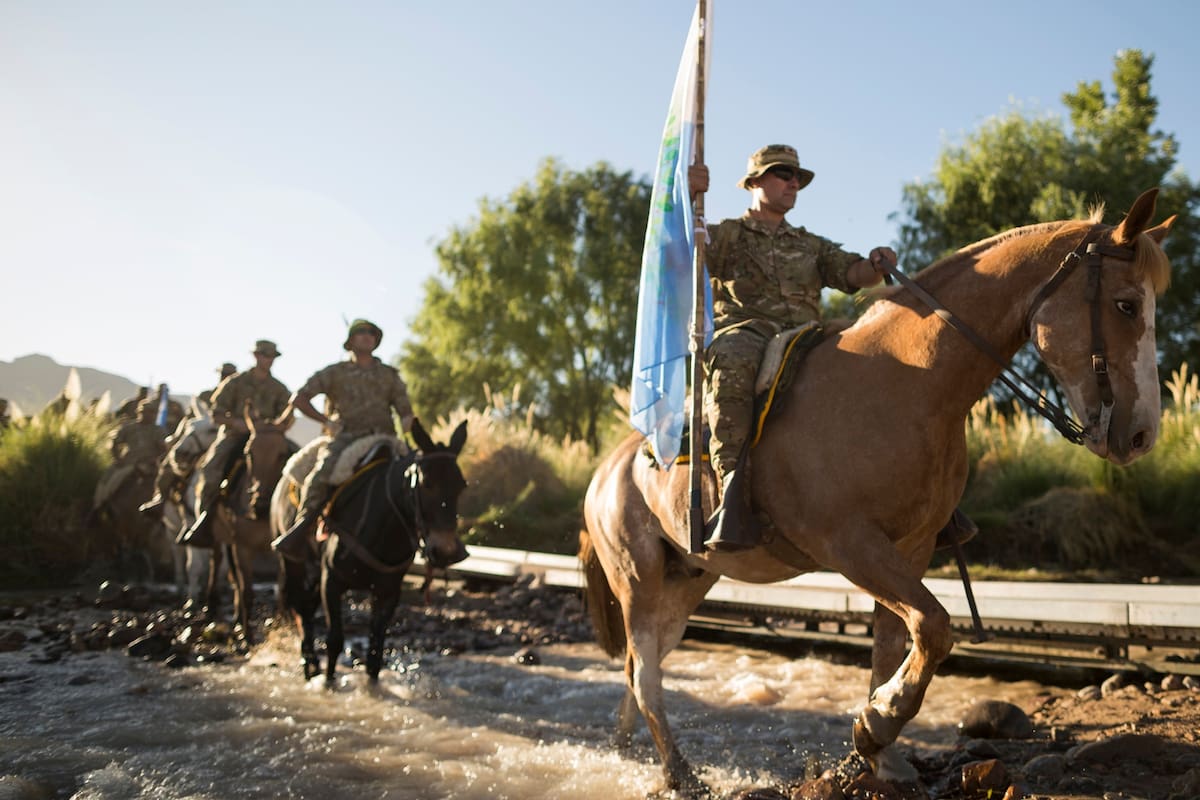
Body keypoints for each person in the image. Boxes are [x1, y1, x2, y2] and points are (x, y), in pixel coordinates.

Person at [688, 144, 896, 551]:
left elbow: (851, 273)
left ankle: (903, 481)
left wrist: (875, 265)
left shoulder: (810, 244)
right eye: (783, 174)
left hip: (805, 333)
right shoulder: (726, 234)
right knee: (732, 360)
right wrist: (686, 197)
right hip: (747, 331)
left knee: (876, 352)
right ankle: (732, 492)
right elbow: (684, 254)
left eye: (797, 177)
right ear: (754, 182)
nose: (793, 183)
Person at [270, 319, 415, 559]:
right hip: (345, 439)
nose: (367, 336)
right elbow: (299, 398)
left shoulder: (389, 375)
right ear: (350, 341)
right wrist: (325, 421)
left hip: (385, 438)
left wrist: (410, 425)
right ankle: (302, 527)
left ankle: (426, 537)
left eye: (372, 333)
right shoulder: (334, 372)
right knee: (320, 476)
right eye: (361, 333)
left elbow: (405, 411)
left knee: (421, 480)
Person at [179, 340, 291, 546]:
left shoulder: (280, 388)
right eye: (265, 355)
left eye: (271, 357)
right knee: (212, 469)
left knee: (297, 462)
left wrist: (278, 426)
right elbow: (216, 413)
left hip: (268, 437)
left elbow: (287, 415)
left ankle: (298, 521)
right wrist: (237, 422)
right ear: (256, 356)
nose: (268, 360)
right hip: (235, 436)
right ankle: (205, 520)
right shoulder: (235, 383)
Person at [139, 363, 236, 518]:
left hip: (227, 437)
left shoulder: (239, 397)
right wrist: (177, 437)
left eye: (229, 375)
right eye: (223, 374)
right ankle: (161, 498)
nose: (225, 377)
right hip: (201, 439)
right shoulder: (205, 396)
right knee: (170, 463)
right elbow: (189, 419)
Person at [91, 397, 168, 519]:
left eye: (153, 412)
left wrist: (156, 459)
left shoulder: (158, 430)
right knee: (110, 480)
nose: (151, 415)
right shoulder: (129, 428)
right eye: (147, 412)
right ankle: (99, 505)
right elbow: (115, 443)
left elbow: (164, 448)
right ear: (139, 412)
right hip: (130, 463)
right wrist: (118, 459)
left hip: (151, 465)